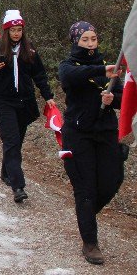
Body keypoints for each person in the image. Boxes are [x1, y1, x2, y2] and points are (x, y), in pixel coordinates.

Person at [59, 21, 124, 265]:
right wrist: (101, 71)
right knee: (85, 189)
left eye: (93, 39)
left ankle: (85, 213)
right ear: (75, 41)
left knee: (112, 180)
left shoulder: (111, 67)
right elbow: (69, 77)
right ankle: (90, 242)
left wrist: (111, 99)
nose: (89, 44)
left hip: (106, 131)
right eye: (84, 39)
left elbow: (124, 96)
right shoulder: (69, 66)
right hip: (78, 133)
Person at [0, 9, 54, 203]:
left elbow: (39, 74)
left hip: (24, 102)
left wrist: (48, 96)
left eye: (19, 29)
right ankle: (18, 186)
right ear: (7, 31)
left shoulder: (29, 49)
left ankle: (6, 171)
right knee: (12, 140)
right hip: (2, 100)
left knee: (16, 141)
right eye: (13, 30)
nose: (16, 33)